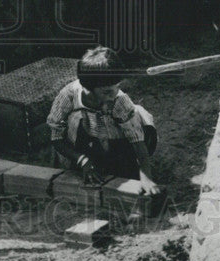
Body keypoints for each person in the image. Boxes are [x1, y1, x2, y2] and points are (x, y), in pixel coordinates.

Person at [47, 46, 160, 196]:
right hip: (89, 138)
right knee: (76, 120)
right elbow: (56, 137)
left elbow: (137, 141)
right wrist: (82, 160)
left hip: (117, 139)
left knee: (125, 171)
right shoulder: (68, 96)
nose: (113, 95)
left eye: (116, 88)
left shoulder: (119, 101)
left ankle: (121, 163)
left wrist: (146, 177)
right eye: (106, 91)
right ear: (88, 88)